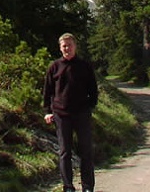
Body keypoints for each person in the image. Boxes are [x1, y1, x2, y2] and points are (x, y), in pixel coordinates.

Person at [42, 32, 98, 192]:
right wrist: (48, 111)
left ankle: (87, 187)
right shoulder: (54, 67)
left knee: (86, 151)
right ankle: (68, 187)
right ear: (60, 48)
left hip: (81, 114)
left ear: (75, 46)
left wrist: (90, 106)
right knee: (65, 152)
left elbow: (93, 89)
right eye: (64, 46)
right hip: (61, 115)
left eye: (70, 45)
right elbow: (47, 91)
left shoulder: (84, 66)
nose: (67, 48)